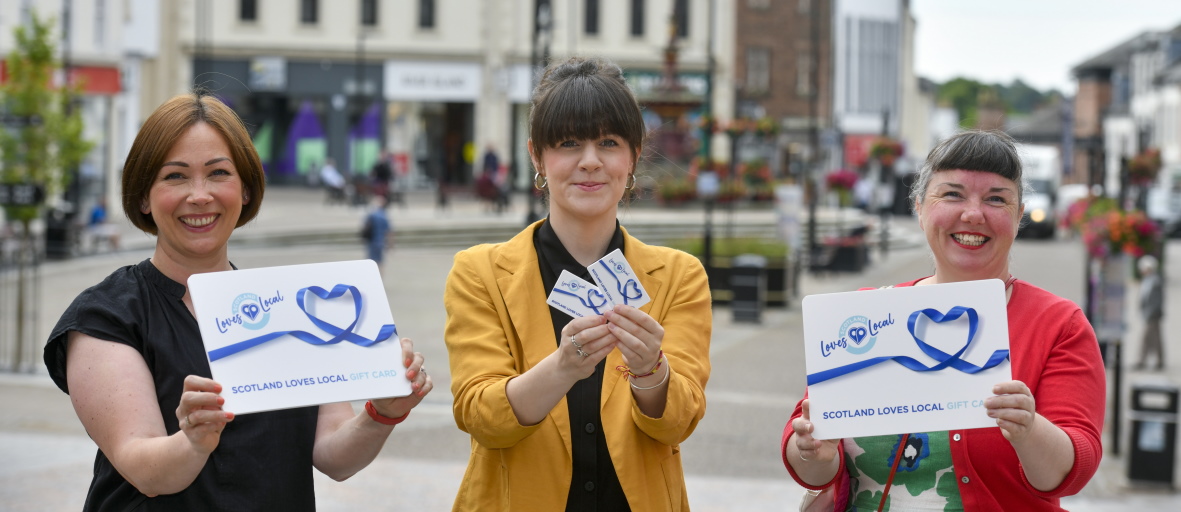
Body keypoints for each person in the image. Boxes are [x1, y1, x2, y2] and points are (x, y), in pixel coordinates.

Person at [42, 92, 433, 510]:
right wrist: (193, 441)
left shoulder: (290, 304)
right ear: (143, 197)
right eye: (175, 176)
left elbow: (334, 455)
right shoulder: (107, 315)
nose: (200, 195)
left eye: (218, 173)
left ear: (245, 189)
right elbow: (146, 470)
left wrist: (383, 413)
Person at [783, 130, 1105, 511]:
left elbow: (1074, 471)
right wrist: (814, 452)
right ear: (919, 207)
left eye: (996, 199)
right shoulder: (866, 316)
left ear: (1019, 217)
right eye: (952, 194)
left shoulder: (1058, 324)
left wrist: (1029, 429)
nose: (973, 214)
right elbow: (809, 460)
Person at [443, 56, 712, 511]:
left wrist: (651, 371)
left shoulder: (679, 276)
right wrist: (563, 366)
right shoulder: (480, 272)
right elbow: (480, 415)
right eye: (568, 143)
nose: (590, 162)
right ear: (537, 156)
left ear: (632, 155)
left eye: (608, 142)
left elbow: (677, 423)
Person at [1135, 254, 1165, 371]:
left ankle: (1141, 360)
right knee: (1156, 338)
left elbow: (1157, 300)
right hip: (1149, 314)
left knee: (1146, 338)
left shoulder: (1155, 281)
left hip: (1152, 315)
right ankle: (1159, 360)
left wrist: (1150, 313)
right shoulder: (1147, 280)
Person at [362, 194, 392, 276]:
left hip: (371, 241)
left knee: (370, 262)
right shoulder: (383, 215)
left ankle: (372, 278)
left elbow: (365, 227)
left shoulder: (371, 214)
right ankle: (380, 280)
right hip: (380, 241)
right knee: (380, 262)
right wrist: (390, 244)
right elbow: (389, 231)